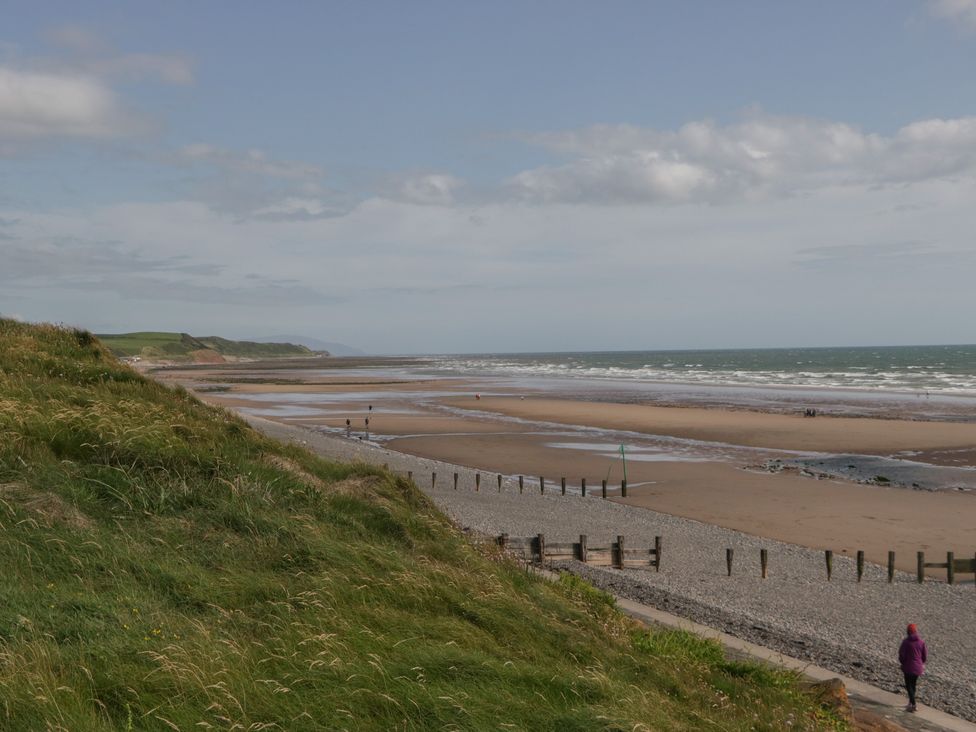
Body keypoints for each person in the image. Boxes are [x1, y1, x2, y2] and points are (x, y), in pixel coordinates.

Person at [898, 623, 927, 712]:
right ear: (916, 631)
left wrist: (903, 663)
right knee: (913, 685)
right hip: (918, 668)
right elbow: (924, 656)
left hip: (908, 667)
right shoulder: (921, 642)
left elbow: (901, 655)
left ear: (908, 632)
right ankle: (911, 702)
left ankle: (913, 704)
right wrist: (921, 663)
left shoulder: (906, 642)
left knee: (908, 685)